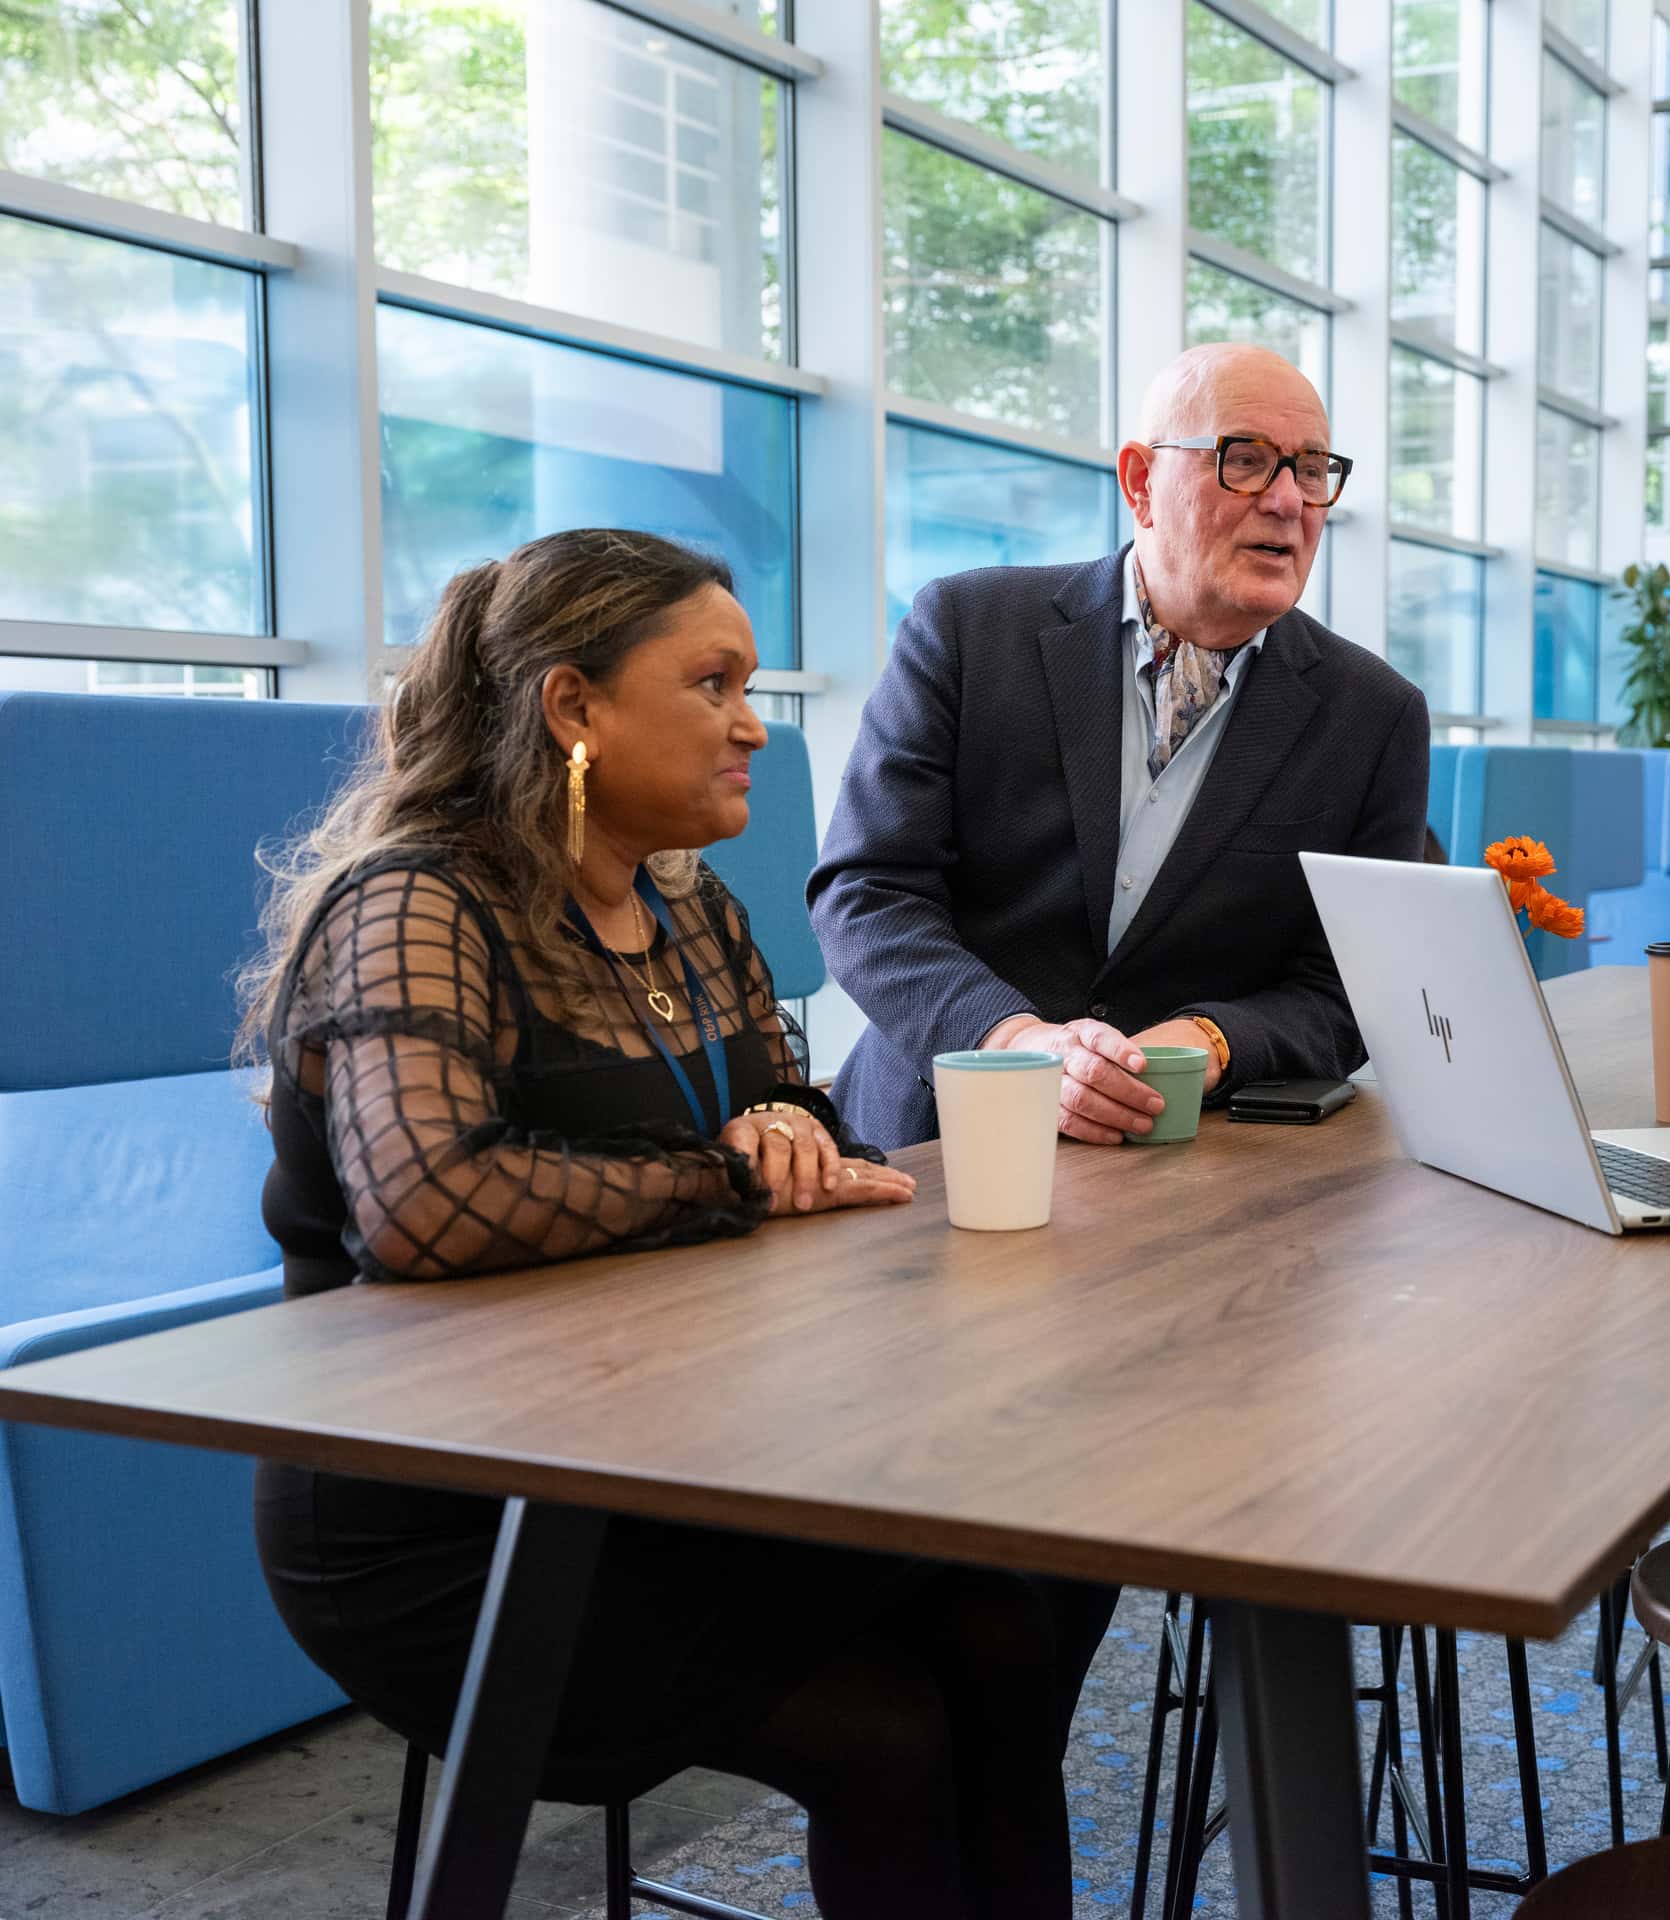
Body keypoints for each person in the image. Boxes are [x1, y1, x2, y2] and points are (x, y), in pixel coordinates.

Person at [240, 529, 1069, 1917]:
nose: (755, 724)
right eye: (714, 683)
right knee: (891, 1731)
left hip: (660, 1457)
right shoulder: (416, 899)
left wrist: (791, 1133)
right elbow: (425, 1206)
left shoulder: (686, 907)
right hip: (445, 1515)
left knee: (1011, 1622)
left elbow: (804, 1114)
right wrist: (727, 1175)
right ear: (574, 707)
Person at [809, 343, 1430, 1747]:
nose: (1289, 502)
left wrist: (1214, 1039)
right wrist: (1013, 1036)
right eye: (1247, 461)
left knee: (1021, 1636)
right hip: (918, 1181)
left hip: (1159, 1232)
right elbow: (866, 892)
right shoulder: (969, 629)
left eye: (1314, 471)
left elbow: (1346, 985)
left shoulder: (1374, 718)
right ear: (1142, 479)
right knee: (873, 1628)